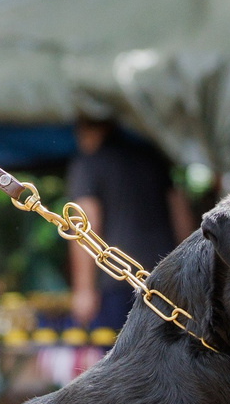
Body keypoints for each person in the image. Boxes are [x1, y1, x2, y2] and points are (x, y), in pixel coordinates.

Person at [64, 116, 195, 330]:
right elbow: (181, 214)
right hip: (166, 279)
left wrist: (84, 289)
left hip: (117, 281)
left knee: (118, 359)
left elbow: (85, 224)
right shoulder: (151, 159)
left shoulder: (88, 163)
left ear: (86, 129)